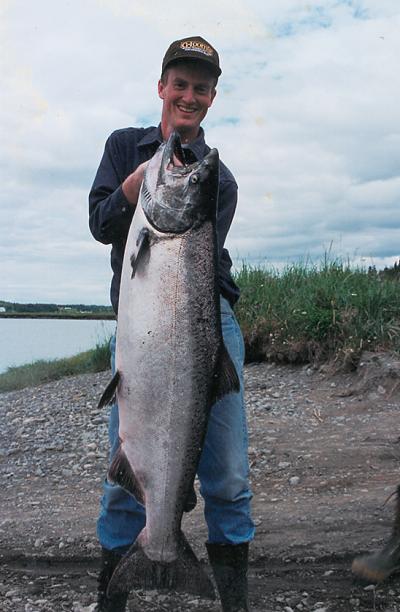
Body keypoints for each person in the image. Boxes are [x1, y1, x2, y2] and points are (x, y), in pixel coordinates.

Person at [89, 35, 255, 612]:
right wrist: (132, 190)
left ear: (211, 99)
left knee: (228, 474)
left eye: (200, 88)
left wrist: (157, 190)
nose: (188, 95)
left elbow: (197, 260)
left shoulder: (218, 179)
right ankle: (119, 589)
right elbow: (101, 225)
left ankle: (232, 598)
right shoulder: (122, 147)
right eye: (179, 84)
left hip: (203, 323)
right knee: (125, 477)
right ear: (162, 87)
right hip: (140, 331)